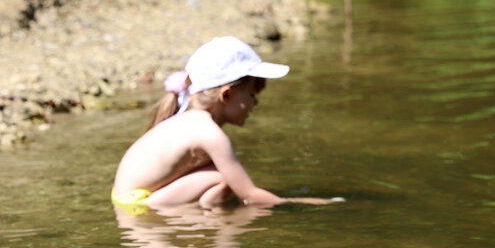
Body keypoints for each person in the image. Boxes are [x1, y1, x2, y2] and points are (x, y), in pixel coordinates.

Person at [112, 36, 343, 213]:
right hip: (138, 205)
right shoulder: (211, 134)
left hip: (128, 197)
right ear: (228, 94)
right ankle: (212, 221)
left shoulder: (187, 119)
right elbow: (250, 195)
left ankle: (211, 219)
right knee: (223, 178)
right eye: (252, 94)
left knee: (219, 176)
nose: (255, 103)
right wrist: (303, 203)